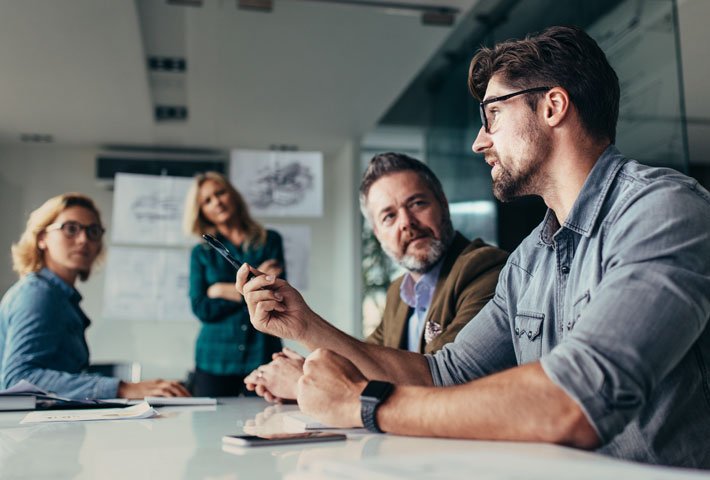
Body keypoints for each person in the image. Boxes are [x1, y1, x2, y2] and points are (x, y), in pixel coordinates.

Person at [235, 25, 710, 469]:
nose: (480, 142)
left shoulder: (662, 210)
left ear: (552, 107)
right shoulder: (529, 261)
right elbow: (443, 374)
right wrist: (304, 324)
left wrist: (363, 404)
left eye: (493, 114)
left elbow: (576, 401)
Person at [244, 153, 508, 402]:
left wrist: (303, 380)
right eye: (389, 216)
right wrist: (308, 369)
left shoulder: (484, 269)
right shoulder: (399, 292)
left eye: (417, 203)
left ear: (443, 205)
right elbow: (366, 361)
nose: (406, 222)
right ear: (378, 233)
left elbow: (440, 380)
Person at [0, 193, 190, 399]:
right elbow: (19, 379)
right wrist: (122, 388)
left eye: (93, 231)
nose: (83, 239)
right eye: (70, 229)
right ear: (42, 238)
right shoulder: (38, 294)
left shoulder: (60, 297)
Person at [184, 171, 285, 397]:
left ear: (233, 195)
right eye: (207, 201)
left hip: (262, 353)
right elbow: (201, 308)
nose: (217, 202)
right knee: (210, 429)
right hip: (215, 358)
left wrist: (219, 290)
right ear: (201, 212)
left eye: (220, 193)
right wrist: (250, 290)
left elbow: (275, 296)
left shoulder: (270, 241)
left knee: (266, 423)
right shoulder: (201, 253)